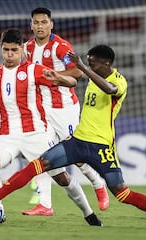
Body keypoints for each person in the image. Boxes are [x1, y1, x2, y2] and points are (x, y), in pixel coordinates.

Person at [0, 44, 146, 228]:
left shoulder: (119, 81)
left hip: (101, 148)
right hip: (77, 142)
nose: (89, 66)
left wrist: (81, 66)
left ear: (106, 64)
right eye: (88, 62)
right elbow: (76, 81)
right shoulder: (93, 77)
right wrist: (58, 78)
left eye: (93, 63)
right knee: (36, 166)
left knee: (122, 193)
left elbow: (109, 90)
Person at [0, 28, 102, 226]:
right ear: (1, 49)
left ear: (22, 49)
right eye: (6, 50)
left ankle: (89, 213)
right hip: (6, 135)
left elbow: (73, 81)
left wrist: (60, 78)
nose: (10, 54)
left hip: (36, 134)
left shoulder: (34, 70)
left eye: (14, 50)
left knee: (62, 178)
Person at [22, 7, 109, 216]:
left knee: (77, 156)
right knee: (42, 155)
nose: (40, 26)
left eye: (44, 22)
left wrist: (53, 75)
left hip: (64, 109)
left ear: (51, 24)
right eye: (36, 22)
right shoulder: (26, 48)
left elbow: (78, 71)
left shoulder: (61, 47)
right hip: (41, 110)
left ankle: (98, 183)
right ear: (31, 25)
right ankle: (45, 204)